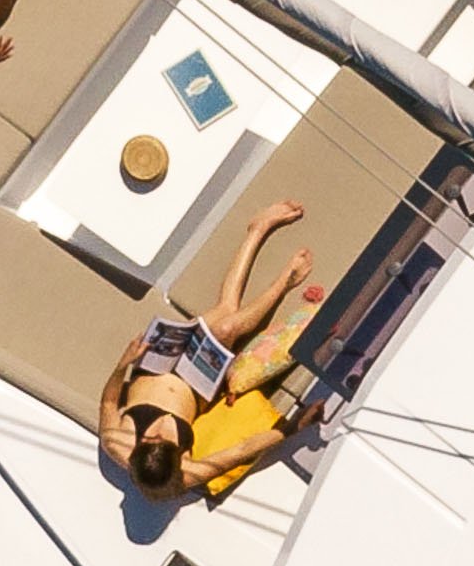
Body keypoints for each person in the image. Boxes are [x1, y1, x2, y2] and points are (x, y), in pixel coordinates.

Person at [105, 199, 326, 503]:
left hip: (156, 362)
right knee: (226, 326)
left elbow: (110, 400)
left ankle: (260, 232)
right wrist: (292, 428)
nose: (154, 433)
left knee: (227, 310)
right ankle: (279, 272)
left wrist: (123, 364)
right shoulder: (187, 473)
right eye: (161, 440)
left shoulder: (116, 443)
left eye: (147, 439)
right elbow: (240, 451)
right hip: (197, 384)